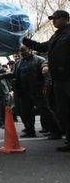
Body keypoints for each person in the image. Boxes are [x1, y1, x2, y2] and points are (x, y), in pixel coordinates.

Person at [23, 10, 70, 151]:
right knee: (64, 111)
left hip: (68, 78)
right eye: (52, 19)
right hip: (59, 80)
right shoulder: (56, 36)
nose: (53, 21)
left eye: (55, 18)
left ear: (65, 18)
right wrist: (23, 39)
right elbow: (41, 47)